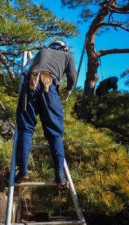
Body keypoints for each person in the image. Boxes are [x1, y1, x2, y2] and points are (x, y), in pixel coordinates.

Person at [15, 41, 77, 185]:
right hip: (50, 87)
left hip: (31, 84)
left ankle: (23, 171)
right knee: (55, 133)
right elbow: (72, 77)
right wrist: (68, 90)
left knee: (26, 129)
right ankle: (60, 176)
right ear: (64, 48)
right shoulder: (67, 56)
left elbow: (28, 70)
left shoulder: (41, 52)